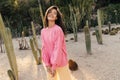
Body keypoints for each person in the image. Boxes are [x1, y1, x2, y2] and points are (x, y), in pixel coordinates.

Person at [41, 6, 74, 80]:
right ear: (46, 14)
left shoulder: (58, 30)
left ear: (56, 18)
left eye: (54, 13)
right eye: (50, 12)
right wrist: (47, 64)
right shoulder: (43, 31)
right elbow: (44, 48)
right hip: (49, 64)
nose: (51, 14)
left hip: (61, 62)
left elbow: (57, 48)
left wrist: (54, 66)